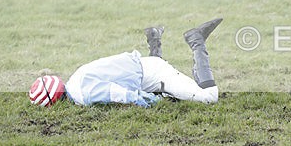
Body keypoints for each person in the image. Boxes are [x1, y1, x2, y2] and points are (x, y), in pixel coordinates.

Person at [28, 18, 223, 107]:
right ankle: (154, 39)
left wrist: (153, 103)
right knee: (160, 85)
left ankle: (197, 41)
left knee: (208, 97)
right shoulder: (76, 78)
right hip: (143, 67)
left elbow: (123, 94)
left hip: (154, 73)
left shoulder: (83, 94)